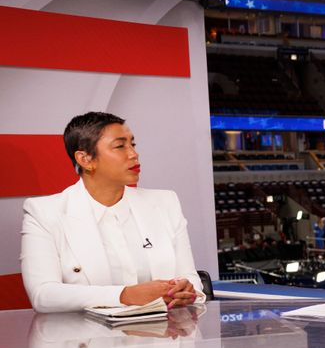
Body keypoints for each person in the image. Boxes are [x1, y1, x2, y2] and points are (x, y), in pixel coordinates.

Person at [20, 112, 205, 313]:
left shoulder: (165, 202)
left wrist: (187, 289)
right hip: (87, 340)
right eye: (120, 146)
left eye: (133, 144)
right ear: (85, 159)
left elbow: (191, 277)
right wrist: (124, 295)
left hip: (165, 336)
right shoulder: (45, 212)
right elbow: (43, 294)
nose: (134, 154)